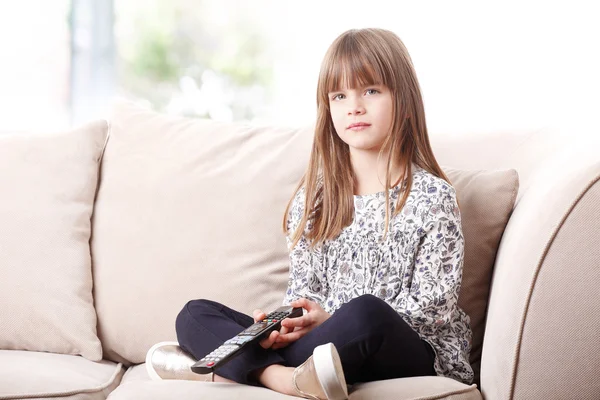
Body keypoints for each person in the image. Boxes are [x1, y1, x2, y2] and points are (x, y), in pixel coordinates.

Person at [146, 28, 474, 400]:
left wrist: (331, 319)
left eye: (370, 90)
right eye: (340, 95)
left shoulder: (433, 197)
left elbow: (432, 310)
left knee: (366, 313)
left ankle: (234, 370)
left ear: (404, 97)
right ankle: (284, 378)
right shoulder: (316, 199)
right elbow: (304, 292)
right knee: (194, 313)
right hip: (323, 346)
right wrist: (288, 323)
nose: (354, 106)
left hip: (402, 347)